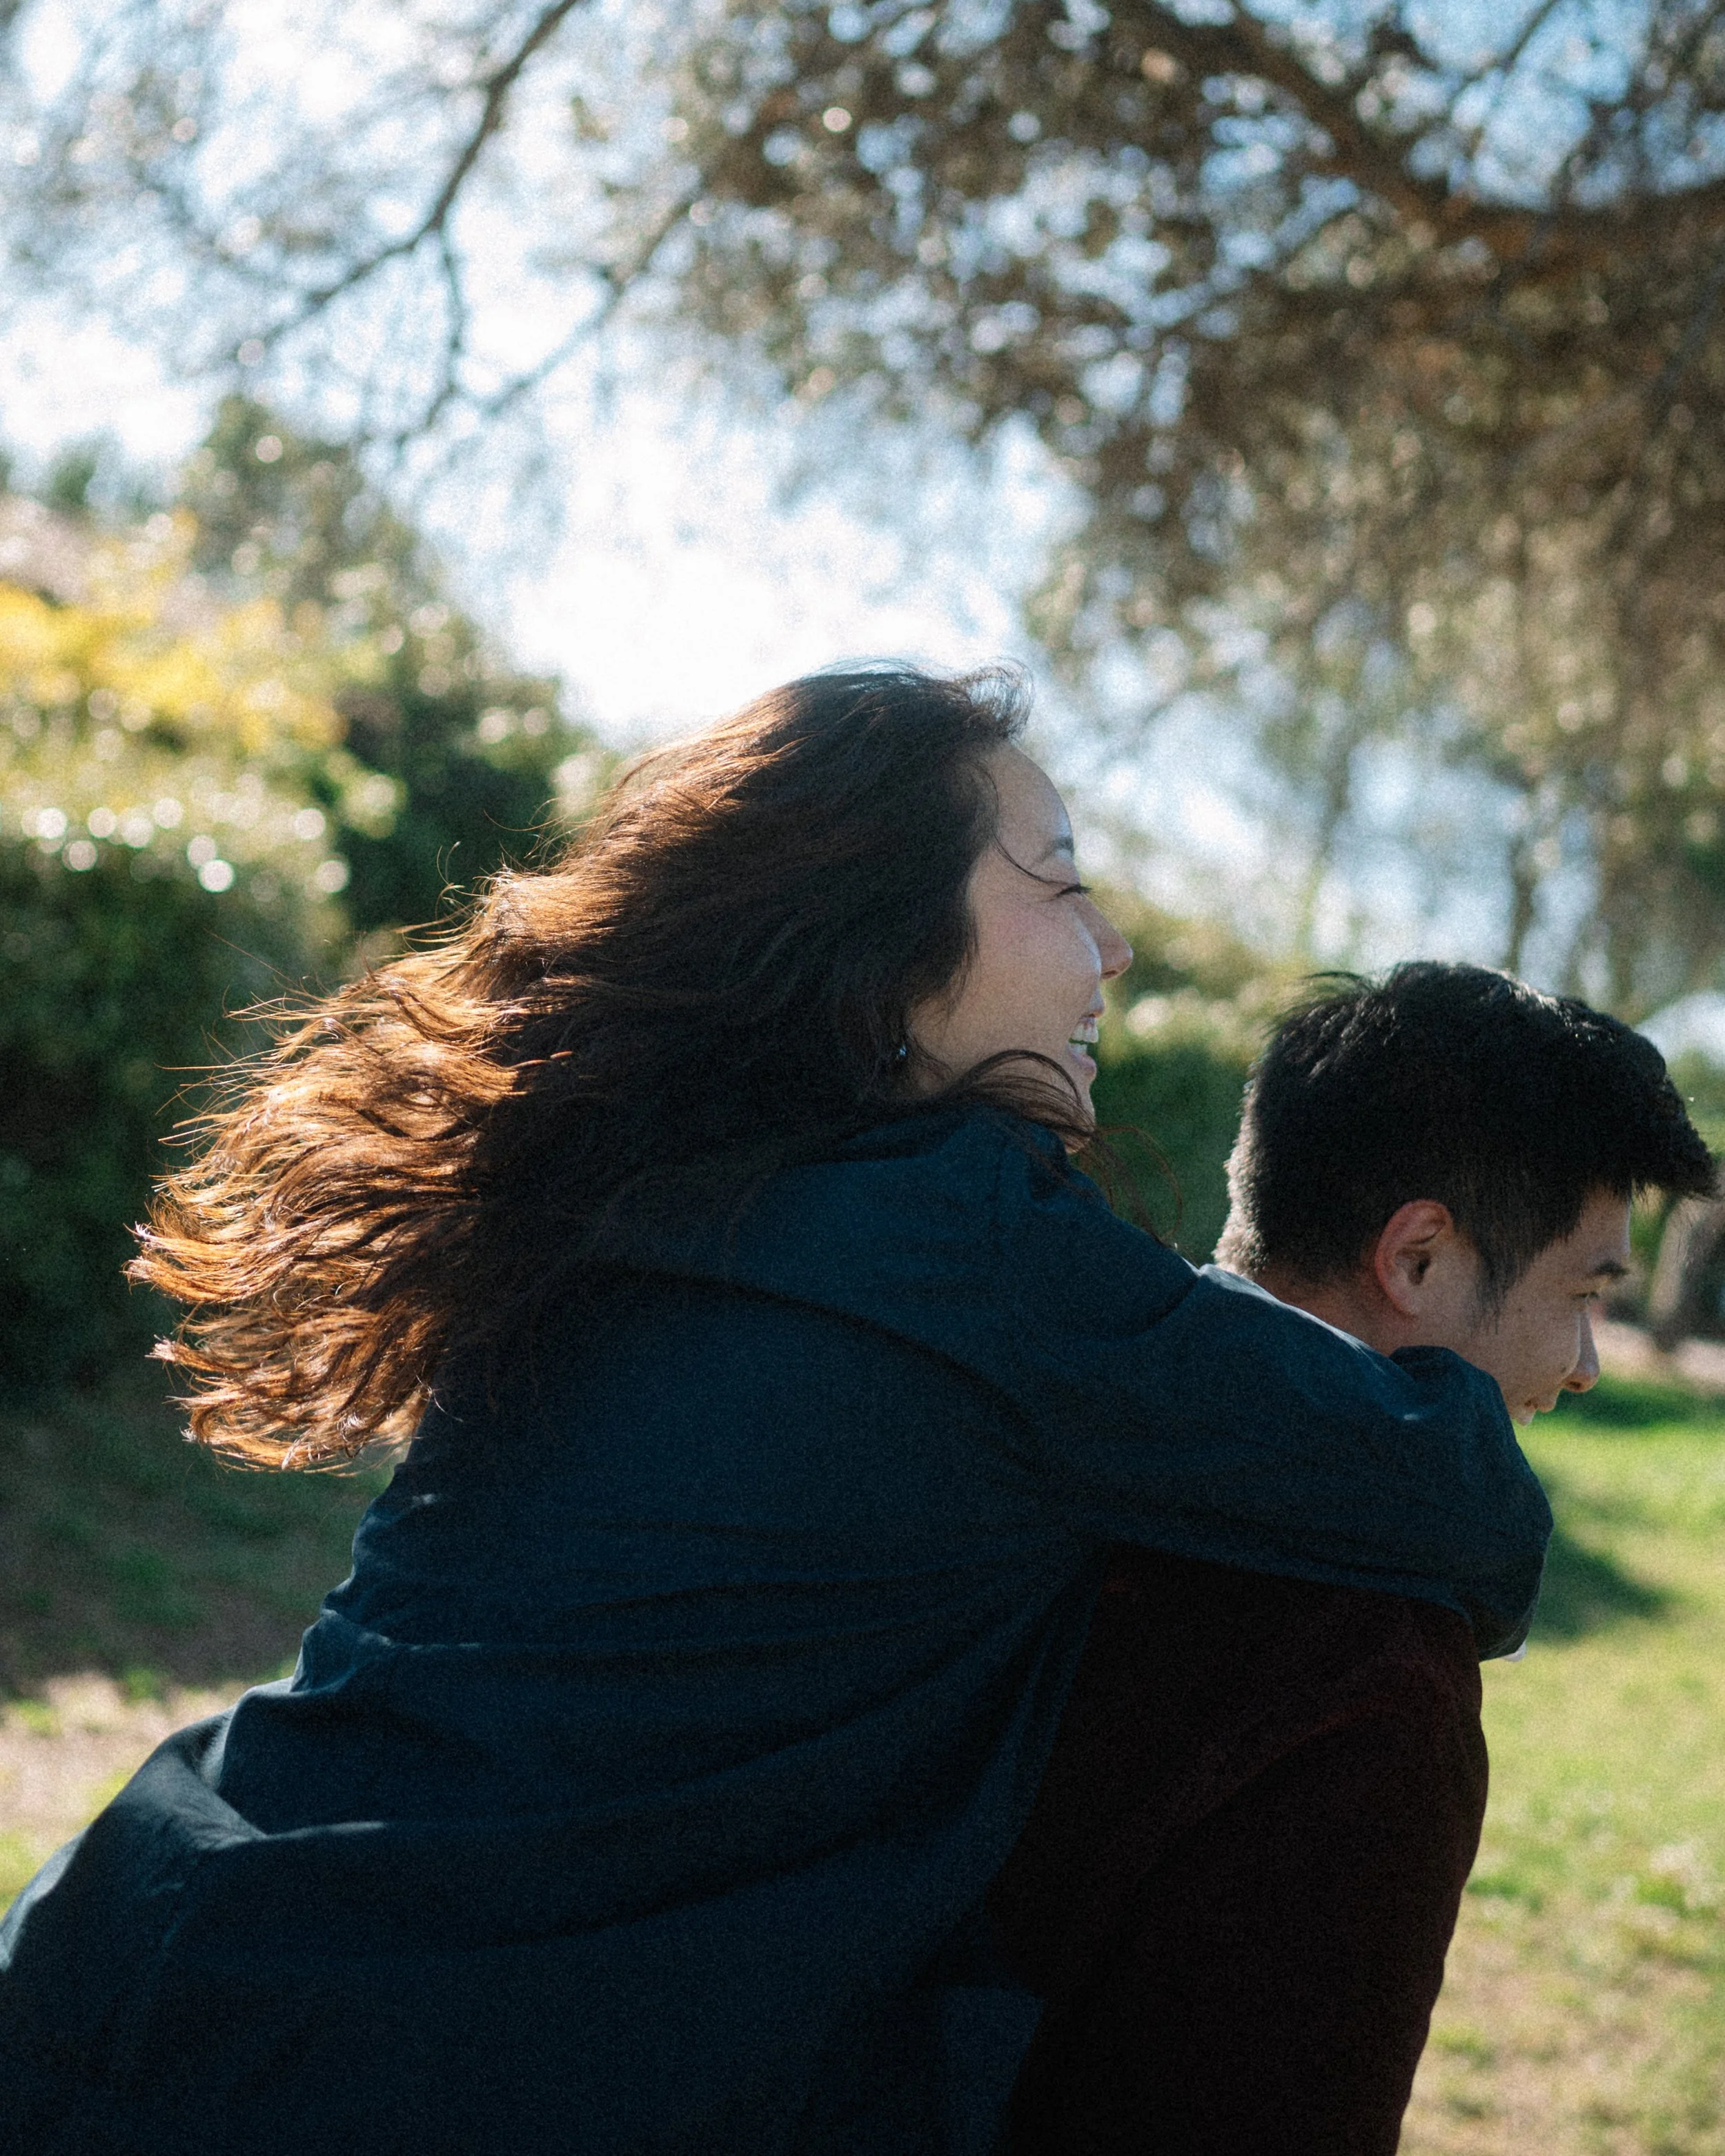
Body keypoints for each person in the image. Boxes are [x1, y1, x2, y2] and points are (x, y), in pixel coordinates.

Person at [0, 669, 1550, 2156]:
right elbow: (1454, 1500)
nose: (1115, 947)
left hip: (141, 1949)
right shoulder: (960, 1233)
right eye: (1059, 881)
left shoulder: (626, 1183)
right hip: (408, 2077)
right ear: (890, 945)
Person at [990, 962, 1713, 2156]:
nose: (1586, 1363)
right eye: (1583, 1294)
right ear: (1418, 1257)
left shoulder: (1013, 1433)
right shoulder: (1376, 1670)